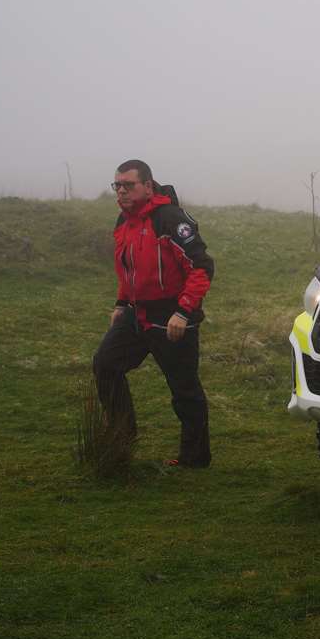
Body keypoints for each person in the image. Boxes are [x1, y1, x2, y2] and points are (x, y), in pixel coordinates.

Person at [92, 159, 215, 468]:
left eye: (128, 185)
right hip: (137, 314)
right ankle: (122, 435)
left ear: (148, 186)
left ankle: (194, 458)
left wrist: (184, 311)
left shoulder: (170, 219)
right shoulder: (123, 221)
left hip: (172, 316)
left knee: (184, 389)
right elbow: (129, 268)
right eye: (117, 186)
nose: (121, 191)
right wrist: (121, 304)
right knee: (105, 364)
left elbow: (201, 267)